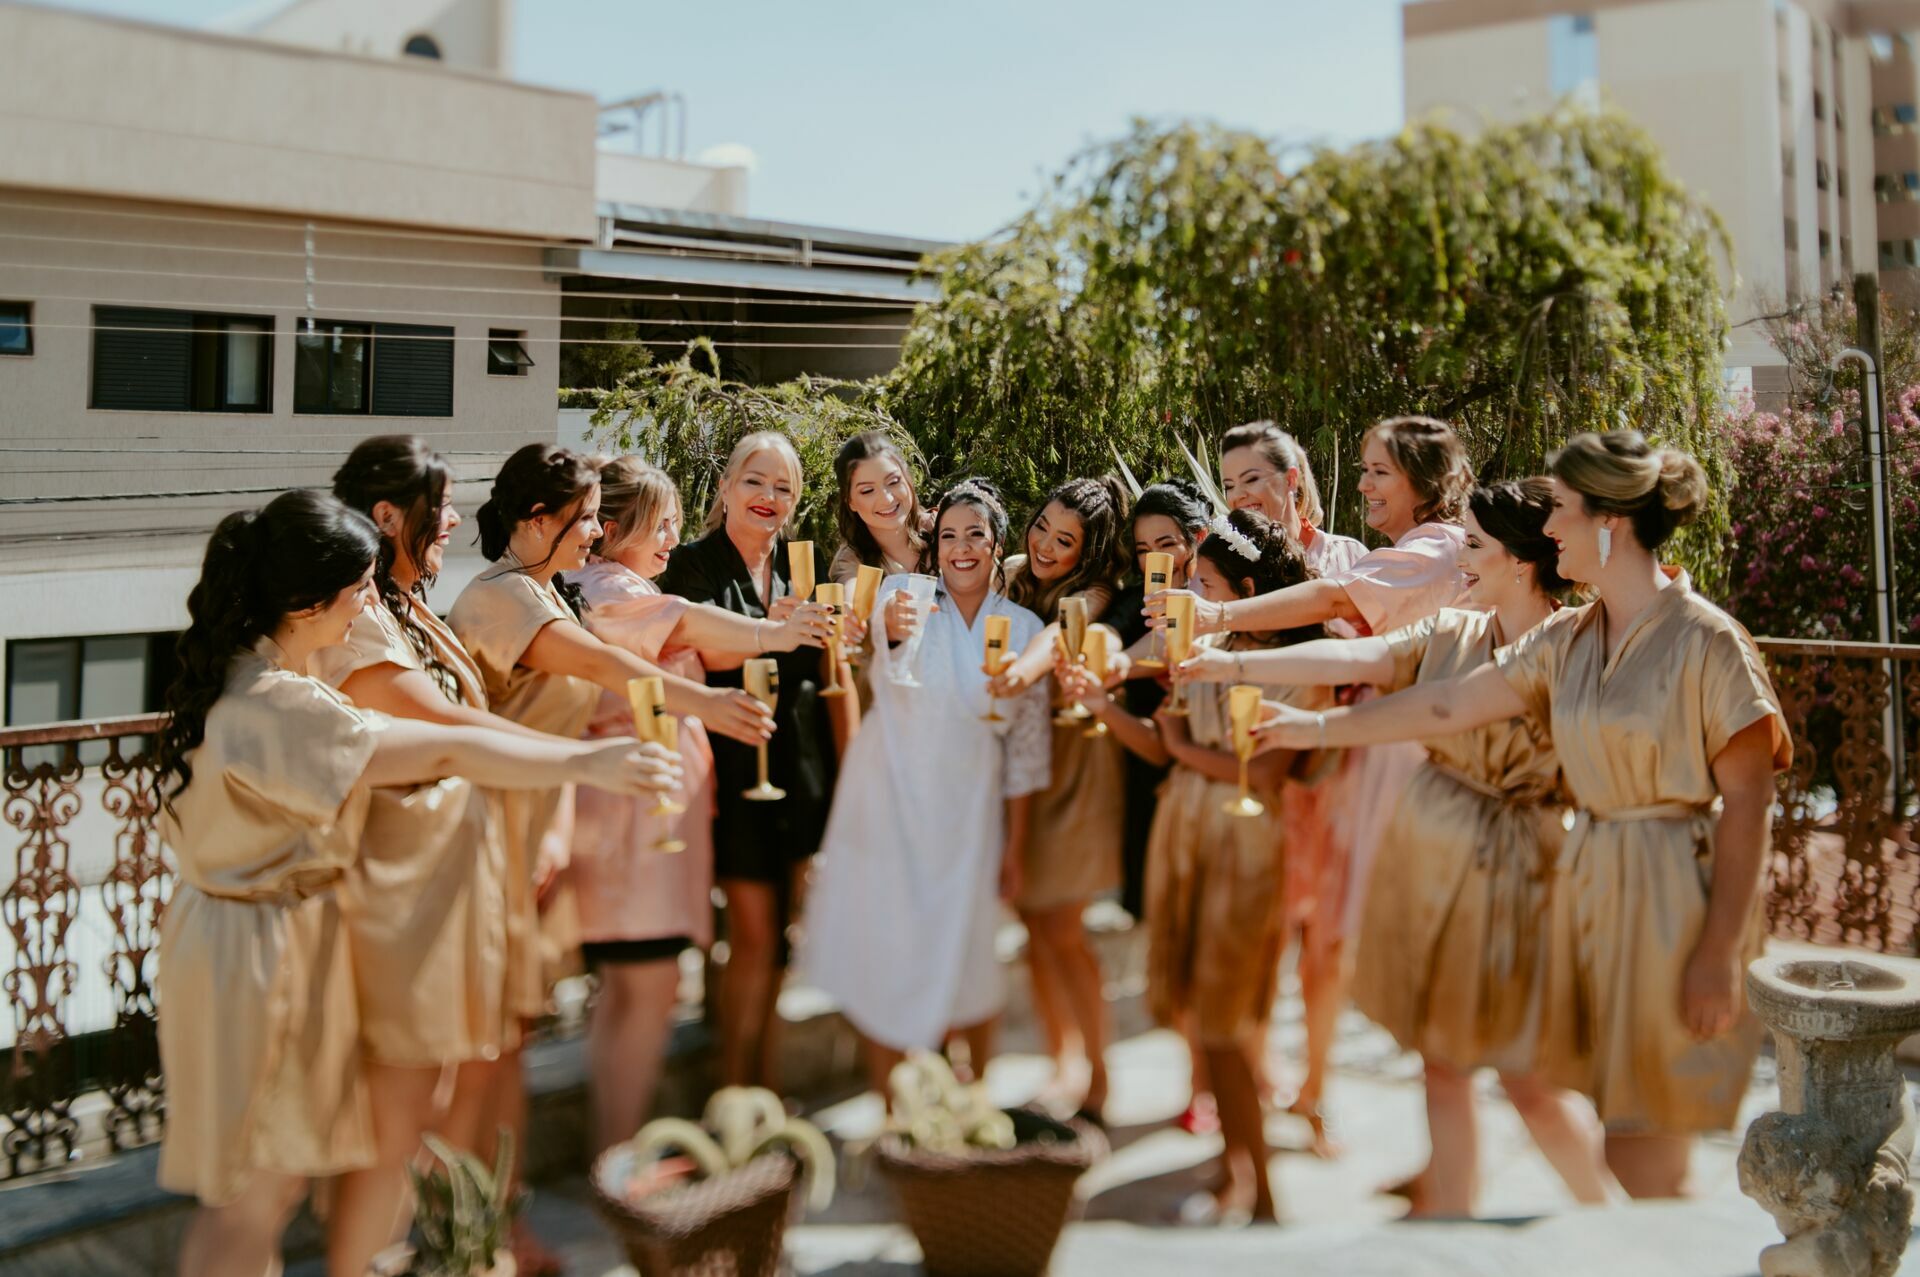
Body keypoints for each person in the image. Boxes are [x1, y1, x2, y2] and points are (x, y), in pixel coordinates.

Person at [1253, 431, 1790, 1200]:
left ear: (1610, 522)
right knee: (1590, 1119)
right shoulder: (1574, 635)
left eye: (1563, 511)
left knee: (1648, 1155)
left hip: (1673, 895)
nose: (1551, 529)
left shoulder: (1710, 642)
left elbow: (1750, 805)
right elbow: (1444, 701)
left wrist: (1718, 949)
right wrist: (1307, 725)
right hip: (1589, 887)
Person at [153, 489, 675, 1277]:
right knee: (253, 1195)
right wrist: (587, 761)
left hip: (249, 944)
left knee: (268, 1187)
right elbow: (442, 750)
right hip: (256, 959)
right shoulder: (278, 703)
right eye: (361, 589)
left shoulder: (259, 671)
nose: (371, 606)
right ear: (306, 601)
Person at [1183, 479, 1615, 1217]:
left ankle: (1619, 1232)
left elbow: (1443, 708)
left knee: (1527, 1079)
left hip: (1529, 870)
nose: (1461, 561)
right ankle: (1453, 1220)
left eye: (1473, 546)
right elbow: (1361, 659)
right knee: (1442, 1062)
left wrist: (1311, 726)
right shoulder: (1454, 629)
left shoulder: (1578, 640)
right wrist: (1228, 663)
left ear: (1520, 560)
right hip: (1442, 862)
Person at [450, 443, 775, 1271]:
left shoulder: (549, 590)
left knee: (515, 1040)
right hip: (570, 827)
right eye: (589, 518)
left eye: (601, 517)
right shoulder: (524, 598)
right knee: (523, 1035)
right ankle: (533, 1209)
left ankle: (503, 1229)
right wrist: (726, 691)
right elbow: (614, 668)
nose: (595, 534)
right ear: (537, 520)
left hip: (555, 822)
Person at [1149, 414, 1472, 1154]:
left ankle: (1314, 1088)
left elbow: (1340, 620)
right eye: (1229, 485)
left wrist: (1223, 617)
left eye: (1254, 480)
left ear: (1292, 481)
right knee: (1265, 918)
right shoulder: (1225, 559)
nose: (1242, 496)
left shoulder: (1357, 560)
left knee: (1330, 935)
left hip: (1354, 761)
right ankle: (1256, 1080)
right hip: (1276, 760)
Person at [570, 456, 831, 1153]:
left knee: (636, 992)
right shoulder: (613, 590)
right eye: (661, 525)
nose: (671, 538)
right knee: (644, 989)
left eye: (675, 525)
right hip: (639, 815)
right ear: (615, 526)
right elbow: (688, 624)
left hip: (667, 806)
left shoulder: (613, 584)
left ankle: (617, 1153)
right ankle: (619, 1160)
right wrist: (776, 633)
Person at [1078, 507, 1331, 1224]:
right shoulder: (1198, 648)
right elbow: (1163, 747)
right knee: (1200, 1011)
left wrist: (1184, 749)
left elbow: (1270, 774)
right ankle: (1231, 1168)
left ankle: (1266, 1197)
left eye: (1208, 583)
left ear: (1248, 585)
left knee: (1226, 1018)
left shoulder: (1295, 667)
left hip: (1245, 847)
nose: (1195, 595)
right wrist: (1104, 705)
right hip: (1184, 829)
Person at [805, 479, 1051, 1090]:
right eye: (949, 536)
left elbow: (1023, 754)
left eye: (976, 535)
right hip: (893, 810)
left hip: (972, 818)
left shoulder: (1023, 628)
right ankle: (894, 1109)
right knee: (889, 952)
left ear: (997, 545)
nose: (961, 549)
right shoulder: (903, 598)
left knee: (975, 962)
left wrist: (1017, 847)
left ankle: (974, 1103)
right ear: (933, 545)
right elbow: (869, 653)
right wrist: (883, 625)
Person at [659, 430, 845, 1091]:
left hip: (802, 767)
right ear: (727, 486)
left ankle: (765, 1085)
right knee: (753, 935)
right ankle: (734, 1090)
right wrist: (777, 630)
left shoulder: (805, 564)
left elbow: (826, 669)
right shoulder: (691, 563)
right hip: (733, 769)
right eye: (755, 480)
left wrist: (832, 631)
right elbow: (705, 654)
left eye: (783, 487)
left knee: (786, 942)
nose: (768, 496)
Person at [994, 474, 1132, 1121]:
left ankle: (1099, 1077)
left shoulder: (1095, 590)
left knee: (1064, 926)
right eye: (1043, 526)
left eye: (1065, 539)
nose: (1046, 544)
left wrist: (1018, 670)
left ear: (1090, 550)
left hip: (1075, 767)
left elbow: (1056, 637)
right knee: (1030, 922)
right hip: (1017, 765)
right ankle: (1061, 1063)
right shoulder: (1014, 573)